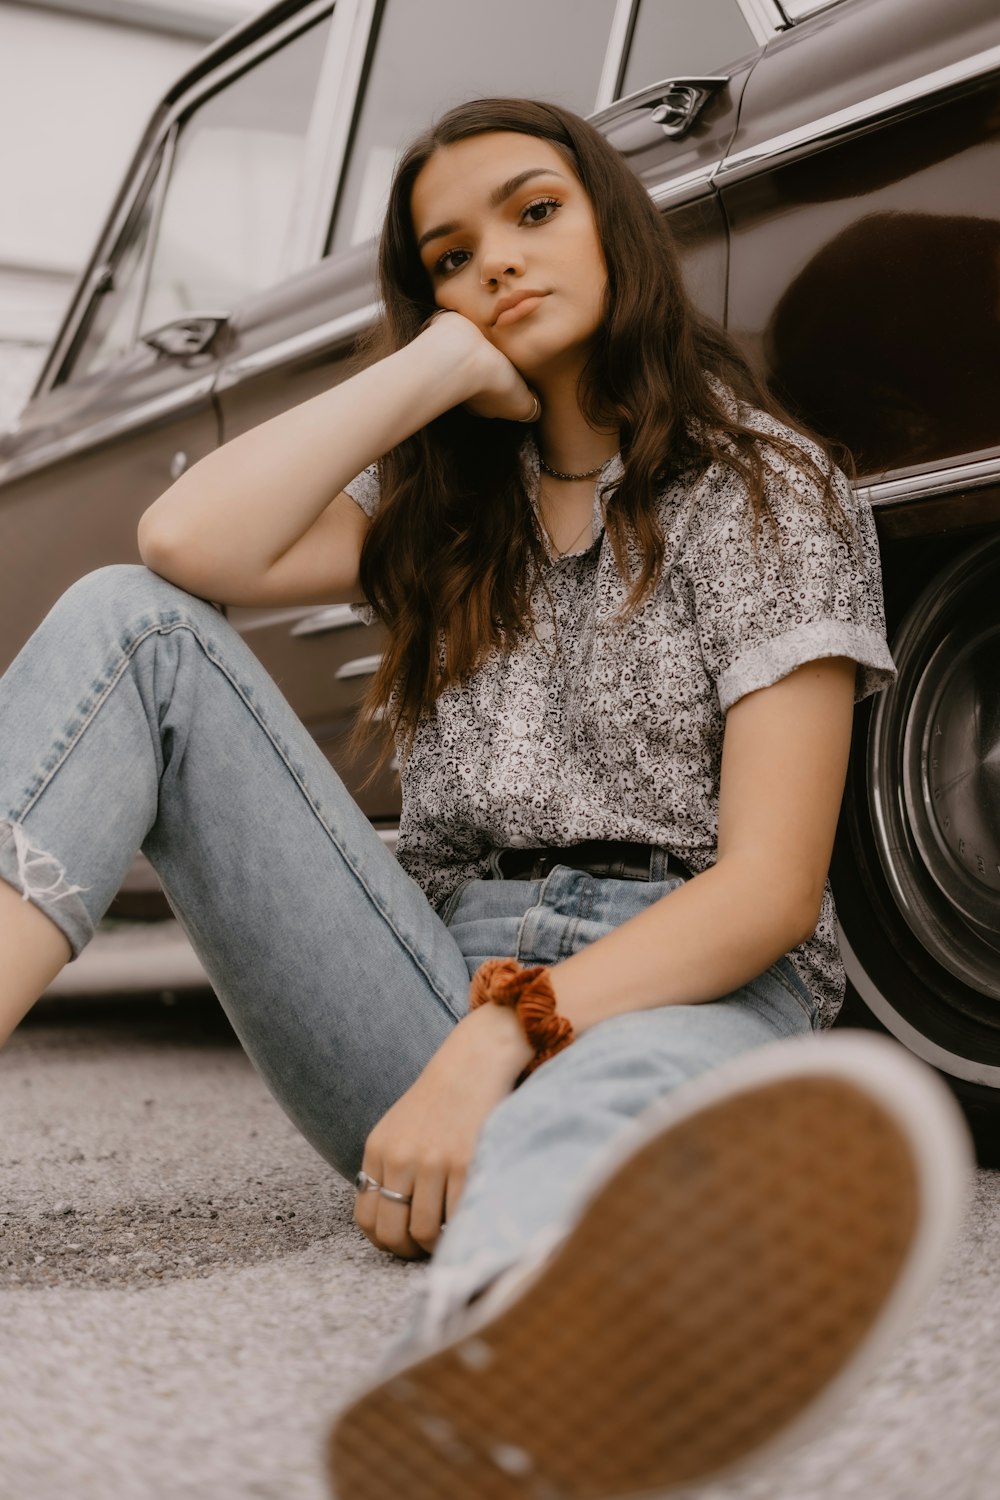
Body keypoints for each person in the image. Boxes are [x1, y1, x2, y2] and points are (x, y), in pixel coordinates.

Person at [0, 98, 972, 1500]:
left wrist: (496, 1042)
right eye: (448, 258)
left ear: (612, 225)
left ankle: (487, 1394)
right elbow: (178, 544)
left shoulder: (764, 489)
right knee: (126, 622)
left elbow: (766, 892)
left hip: (679, 983)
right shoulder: (447, 512)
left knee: (598, 1108)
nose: (496, 267)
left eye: (532, 214)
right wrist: (431, 370)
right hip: (423, 969)